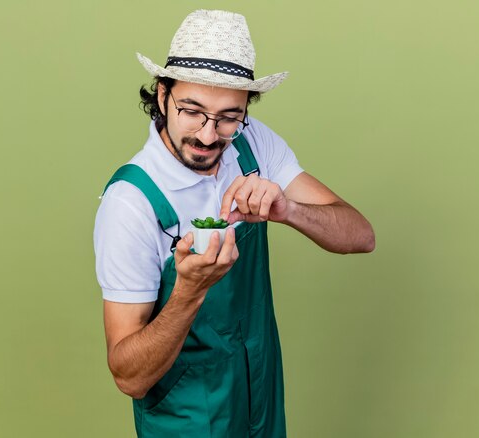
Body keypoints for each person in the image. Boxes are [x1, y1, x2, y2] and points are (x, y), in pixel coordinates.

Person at [94, 9, 375, 437]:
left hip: (259, 400)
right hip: (188, 421)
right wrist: (190, 290)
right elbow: (129, 376)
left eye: (228, 116)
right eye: (192, 111)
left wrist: (288, 210)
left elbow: (361, 235)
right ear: (163, 94)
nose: (209, 136)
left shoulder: (253, 144)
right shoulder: (132, 202)